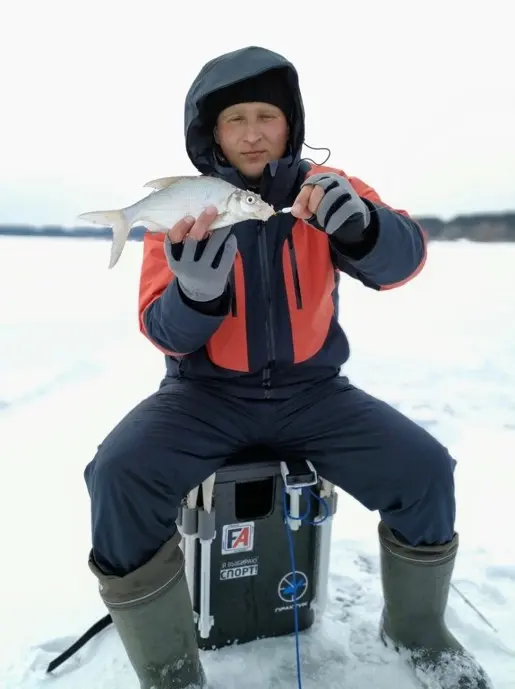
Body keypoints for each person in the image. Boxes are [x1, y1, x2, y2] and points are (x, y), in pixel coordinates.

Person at [84, 45, 492, 689]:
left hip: (314, 395)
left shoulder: (329, 189)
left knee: (425, 471)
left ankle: (417, 631)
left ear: (289, 122)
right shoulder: (188, 209)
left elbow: (405, 260)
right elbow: (161, 331)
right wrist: (194, 296)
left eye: (266, 115)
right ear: (211, 133)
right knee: (118, 477)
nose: (252, 133)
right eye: (234, 119)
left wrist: (363, 229)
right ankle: (169, 670)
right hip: (204, 396)